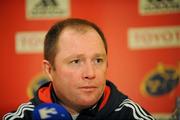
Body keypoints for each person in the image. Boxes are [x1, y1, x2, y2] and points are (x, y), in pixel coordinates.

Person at [3, 18, 155, 120]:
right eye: (76, 61)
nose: (90, 73)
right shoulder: (25, 116)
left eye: (98, 60)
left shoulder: (129, 115)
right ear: (49, 70)